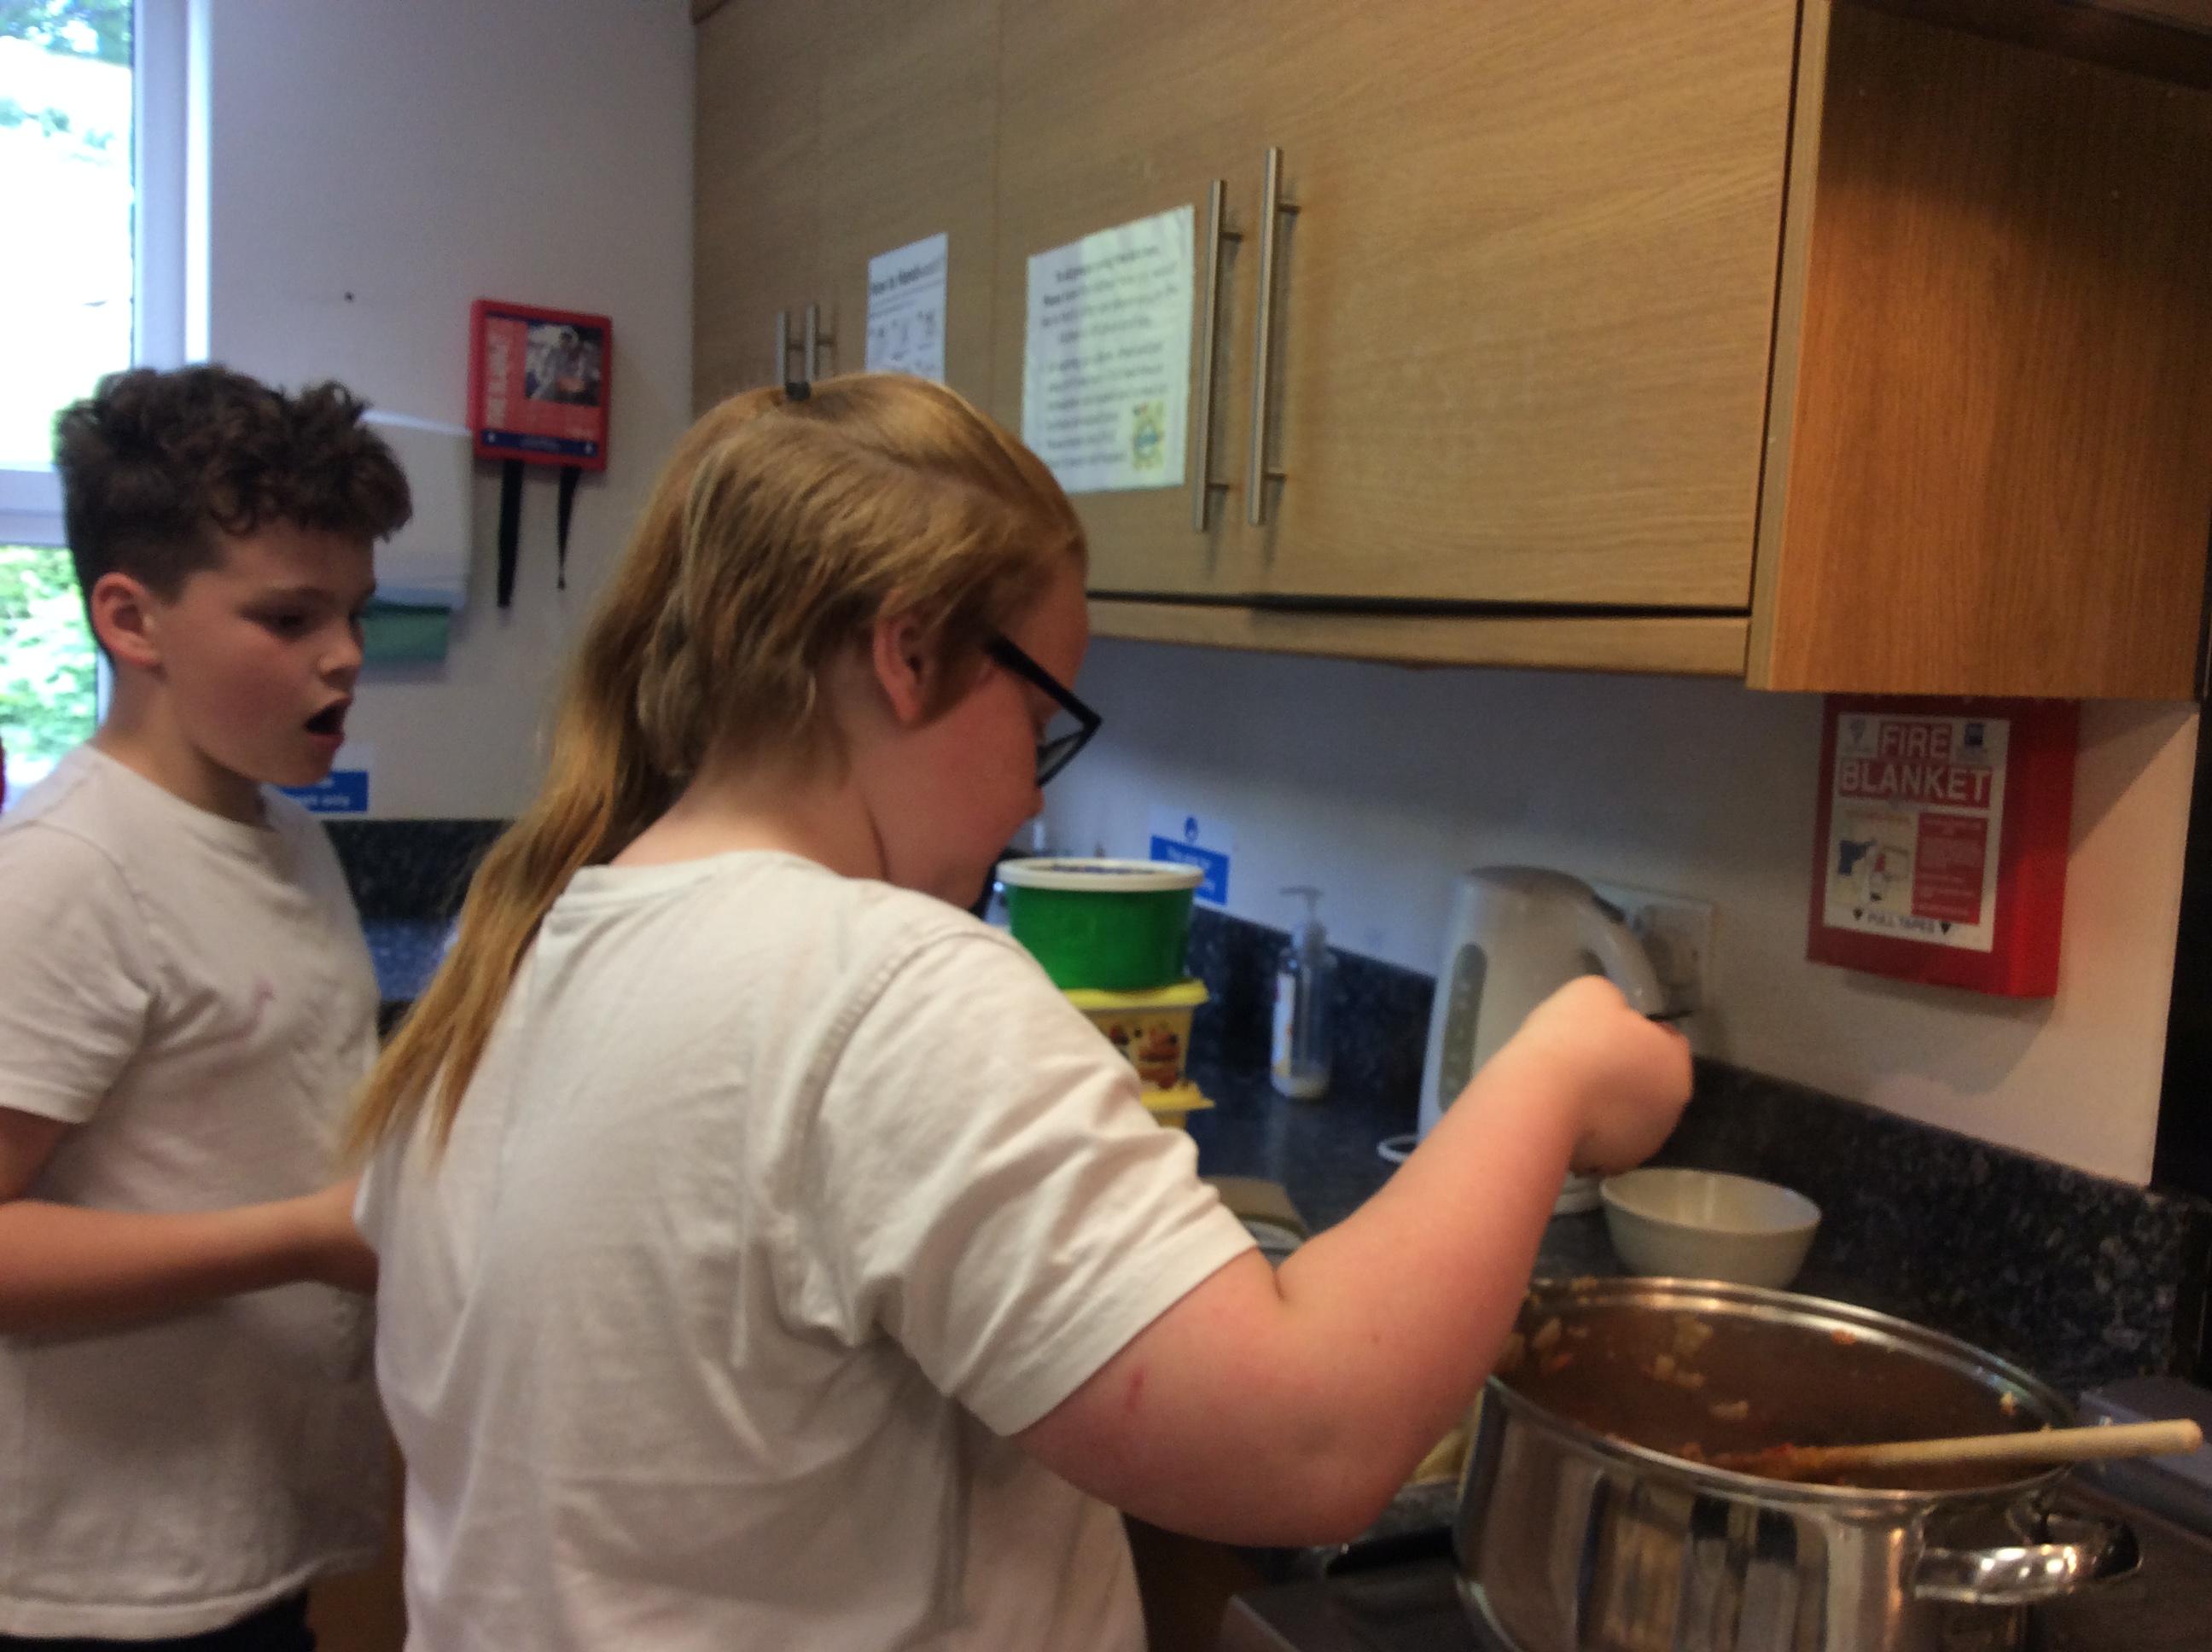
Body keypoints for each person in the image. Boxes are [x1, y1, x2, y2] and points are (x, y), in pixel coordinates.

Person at [346, 373, 1692, 1651]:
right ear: (910, 654)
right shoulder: (883, 989)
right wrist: (1554, 1068)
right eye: (1040, 724)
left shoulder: (515, 953)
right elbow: (1309, 1441)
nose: (1034, 797)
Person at [0, 365, 412, 1648]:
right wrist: (303, 1238)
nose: (345, 656)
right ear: (133, 620)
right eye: (288, 619)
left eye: (353, 612)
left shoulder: (286, 834)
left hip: (250, 1533)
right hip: (94, 1583)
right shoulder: (70, 869)